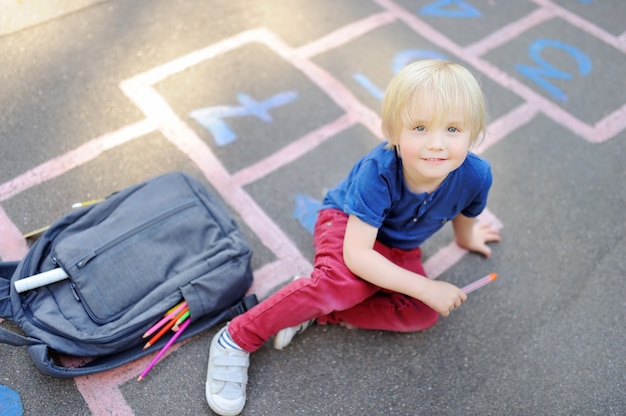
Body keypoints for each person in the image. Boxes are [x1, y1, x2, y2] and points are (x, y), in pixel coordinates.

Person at [206, 59, 501, 416]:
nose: (436, 144)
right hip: (347, 226)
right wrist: (425, 285)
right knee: (345, 283)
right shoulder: (378, 171)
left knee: (422, 314)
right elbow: (359, 255)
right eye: (420, 127)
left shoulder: (476, 175)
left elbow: (464, 213)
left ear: (473, 134)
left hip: (399, 246)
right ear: (394, 132)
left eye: (453, 130)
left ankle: (315, 310)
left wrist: (466, 238)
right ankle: (236, 338)